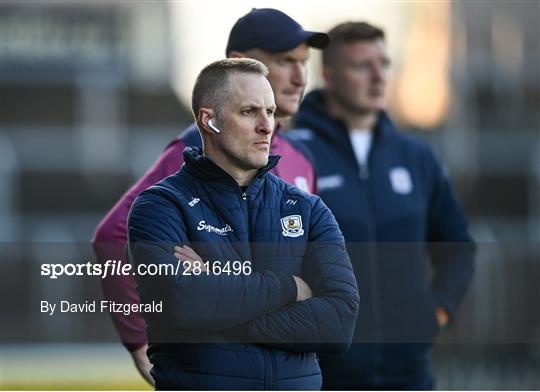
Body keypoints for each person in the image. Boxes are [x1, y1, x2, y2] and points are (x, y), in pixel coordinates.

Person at [92, 8, 328, 384]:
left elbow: (323, 286)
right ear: (240, 65)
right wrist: (140, 342)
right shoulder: (196, 152)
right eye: (286, 61)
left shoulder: (302, 158)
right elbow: (111, 237)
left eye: (304, 62)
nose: (300, 77)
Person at [127, 58, 359, 390]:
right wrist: (291, 288)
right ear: (210, 121)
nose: (268, 126)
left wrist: (217, 304)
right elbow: (184, 303)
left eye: (271, 111)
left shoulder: (307, 209)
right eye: (249, 112)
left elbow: (339, 323)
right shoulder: (161, 206)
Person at [290, 22, 475, 389]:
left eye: (384, 64)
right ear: (330, 75)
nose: (378, 77)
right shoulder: (294, 154)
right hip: (323, 375)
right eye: (362, 66)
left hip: (409, 374)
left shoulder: (416, 157)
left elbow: (457, 246)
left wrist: (438, 310)